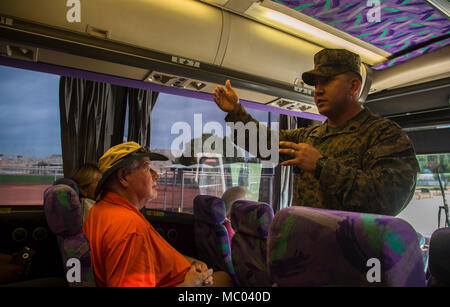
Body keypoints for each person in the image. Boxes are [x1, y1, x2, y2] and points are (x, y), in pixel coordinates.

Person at [213, 48, 420, 216]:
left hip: (349, 259)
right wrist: (236, 111)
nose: (318, 91)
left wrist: (321, 166)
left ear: (353, 86)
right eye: (316, 84)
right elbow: (263, 144)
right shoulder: (309, 137)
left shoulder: (383, 134)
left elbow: (390, 200)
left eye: (327, 81)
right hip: (304, 252)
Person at [83, 141, 232, 287]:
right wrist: (189, 284)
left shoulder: (101, 210)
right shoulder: (130, 228)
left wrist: (193, 263)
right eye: (147, 168)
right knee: (225, 279)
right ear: (123, 177)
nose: (157, 175)